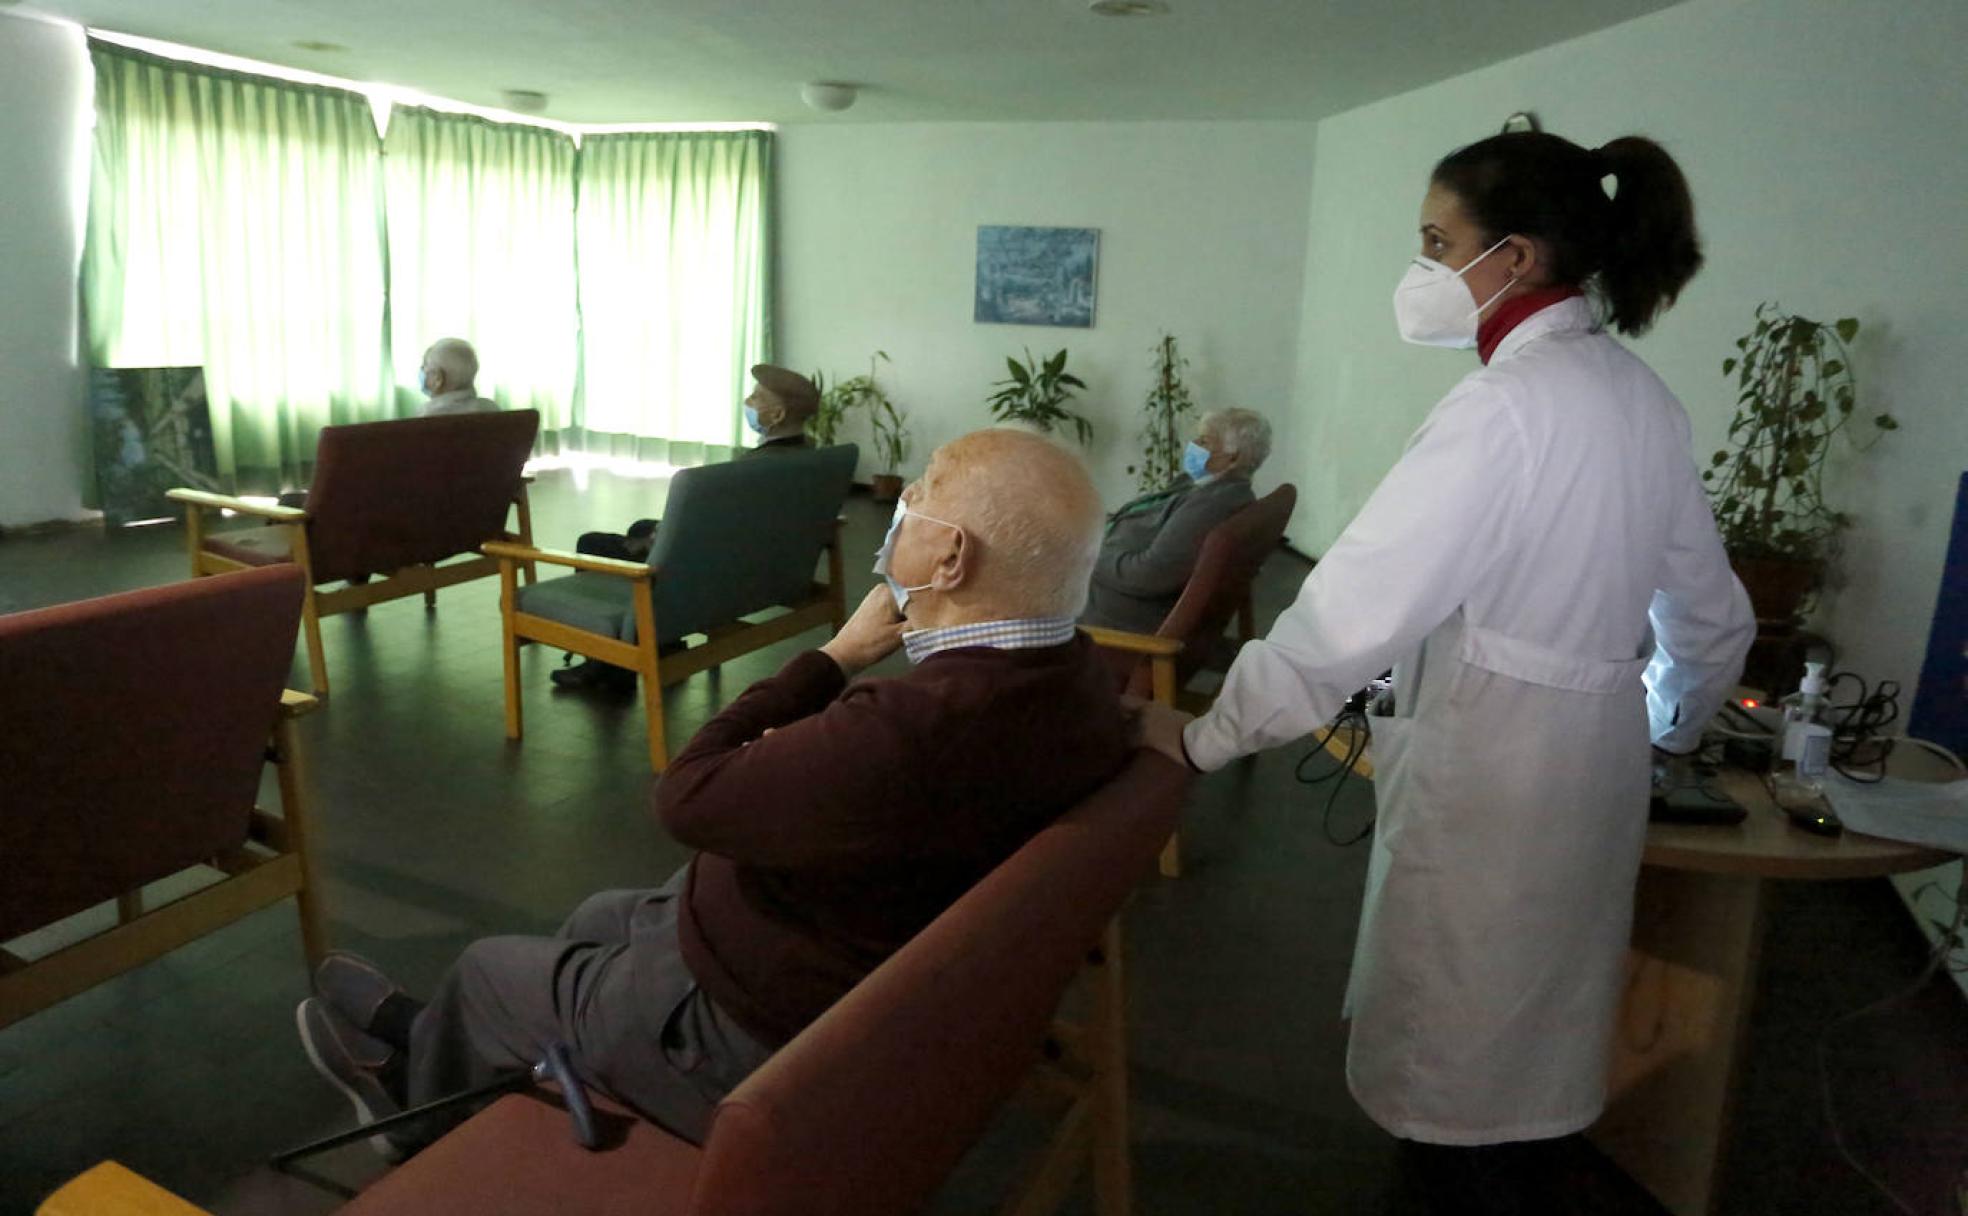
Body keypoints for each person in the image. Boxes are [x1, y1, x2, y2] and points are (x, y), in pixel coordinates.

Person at [1136, 131, 1754, 1210]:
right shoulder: (1640, 398)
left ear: (1512, 258)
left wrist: (1203, 735)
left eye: (1436, 240)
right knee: (1543, 1025)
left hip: (1496, 763)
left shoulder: (1500, 410)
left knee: (1456, 1048)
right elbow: (1709, 618)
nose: (1419, 268)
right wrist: (1668, 725)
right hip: (1596, 758)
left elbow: (1346, 611)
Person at [295, 428, 1129, 1157]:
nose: (903, 504)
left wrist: (832, 657)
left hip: (740, 1030)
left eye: (922, 495)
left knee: (485, 969)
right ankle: (468, 1045)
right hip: (834, 952)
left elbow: (687, 794)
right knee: (597, 918)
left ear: (950, 559)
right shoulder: (1080, 680)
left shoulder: (909, 725)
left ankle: (409, 1111)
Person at [552, 364, 823, 691]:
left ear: (777, 415)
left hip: (716, 579)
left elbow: (709, 533)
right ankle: (664, 645)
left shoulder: (753, 471)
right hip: (767, 570)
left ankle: (611, 666)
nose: (748, 401)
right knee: (641, 526)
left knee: (593, 543)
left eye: (757, 397)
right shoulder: (810, 459)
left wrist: (661, 537)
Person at [1080, 407, 1271, 634]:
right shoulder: (1206, 485)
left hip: (1114, 614)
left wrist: (1086, 553)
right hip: (1108, 577)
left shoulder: (1213, 505)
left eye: (1204, 441)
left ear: (1233, 457)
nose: (1193, 445)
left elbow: (1148, 575)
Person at [417, 338, 498, 416]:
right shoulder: (491, 408)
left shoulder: (427, 414)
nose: (421, 369)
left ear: (438, 379)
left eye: (424, 365)